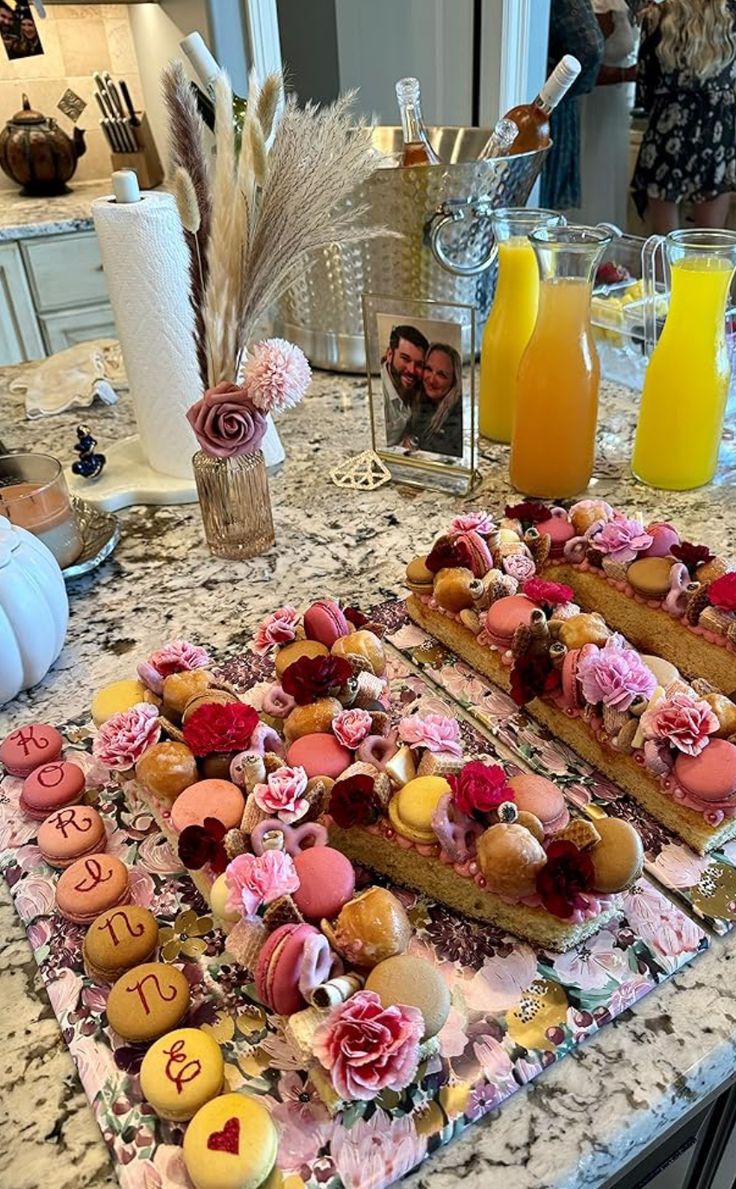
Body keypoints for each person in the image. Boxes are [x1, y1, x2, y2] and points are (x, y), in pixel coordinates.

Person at [632, 0, 736, 233]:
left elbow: (644, 91)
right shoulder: (729, 17)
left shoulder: (655, 17)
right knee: (710, 243)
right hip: (716, 133)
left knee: (664, 239)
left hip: (669, 131)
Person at [577, 1, 637, 228]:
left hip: (615, 106)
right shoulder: (592, 7)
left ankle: (610, 248)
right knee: (593, 174)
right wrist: (628, 74)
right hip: (591, 104)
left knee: (611, 177)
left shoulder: (621, 5)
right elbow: (585, 65)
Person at [540, 0, 605, 209]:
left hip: (548, 98)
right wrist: (562, 88)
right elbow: (589, 46)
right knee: (538, 211)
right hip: (549, 104)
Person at [403, 343, 463, 458]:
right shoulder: (420, 399)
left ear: (454, 381)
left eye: (441, 375)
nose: (431, 380)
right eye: (428, 369)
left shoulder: (457, 415)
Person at [381, 324, 427, 446]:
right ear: (390, 354)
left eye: (419, 364)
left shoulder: (417, 388)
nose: (412, 370)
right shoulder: (378, 395)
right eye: (405, 359)